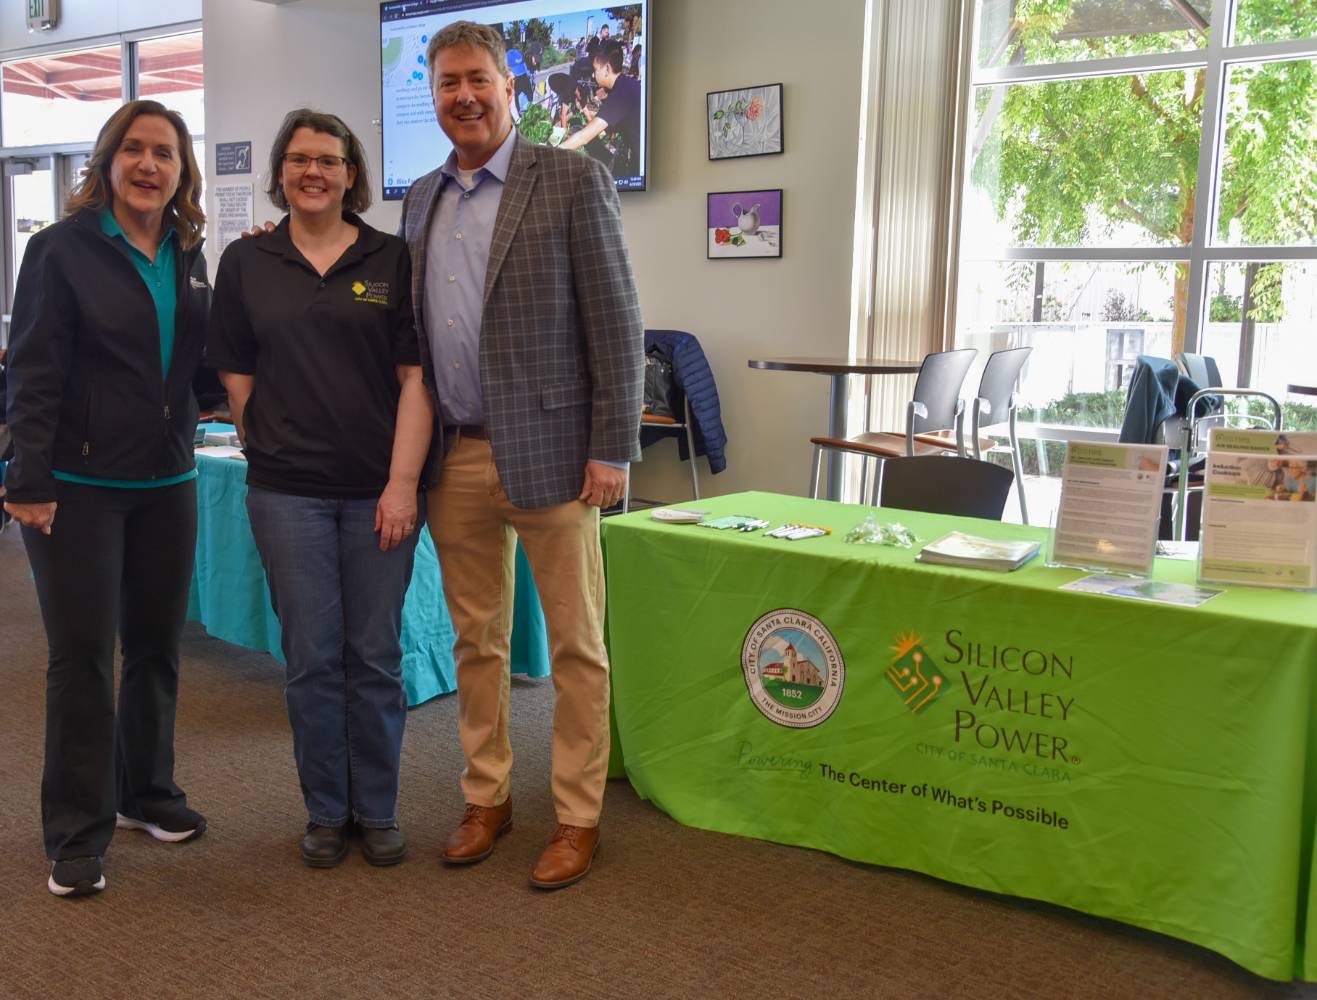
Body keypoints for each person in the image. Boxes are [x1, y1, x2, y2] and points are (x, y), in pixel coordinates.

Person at [401, 20, 643, 889]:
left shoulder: (572, 178)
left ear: (511, 87)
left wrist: (613, 447)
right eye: (444, 83)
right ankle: (487, 797)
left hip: (557, 456)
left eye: (477, 78)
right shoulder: (421, 197)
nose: (461, 95)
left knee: (577, 647)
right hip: (456, 457)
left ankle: (576, 817)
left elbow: (615, 323)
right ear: (431, 96)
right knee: (477, 642)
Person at [208, 110, 432, 869]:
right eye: (300, 159)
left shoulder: (392, 258)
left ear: (351, 176)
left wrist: (403, 483)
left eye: (329, 161)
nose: (314, 172)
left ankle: (378, 807)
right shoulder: (248, 262)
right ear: (280, 172)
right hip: (286, 493)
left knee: (373, 655)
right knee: (309, 657)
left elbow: (415, 379)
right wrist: (257, 431)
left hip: (379, 490)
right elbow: (234, 366)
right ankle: (326, 811)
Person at [4, 100, 209, 897]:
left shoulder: (190, 251)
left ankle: (146, 793)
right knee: (83, 660)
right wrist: (26, 476)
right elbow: (33, 369)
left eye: (164, 151)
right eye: (134, 150)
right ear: (107, 161)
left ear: (180, 170)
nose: (150, 164)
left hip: (170, 482)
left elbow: (198, 362)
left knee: (157, 651)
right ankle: (76, 831)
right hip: (81, 488)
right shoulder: (60, 250)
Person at [559, 42, 642, 175]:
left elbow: (583, 138)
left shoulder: (620, 95)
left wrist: (553, 151)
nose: (593, 75)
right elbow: (608, 129)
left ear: (607, 69)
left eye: (595, 69)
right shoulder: (625, 84)